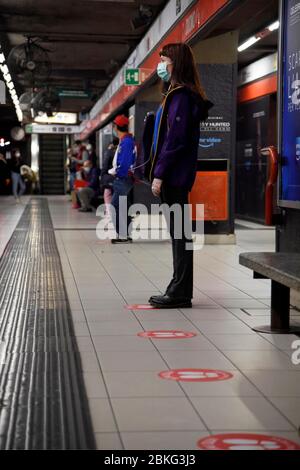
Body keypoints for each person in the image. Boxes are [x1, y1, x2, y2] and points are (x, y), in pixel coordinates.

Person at [148, 43, 213, 309]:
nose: (160, 64)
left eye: (164, 59)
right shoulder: (175, 95)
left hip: (174, 176)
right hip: (174, 175)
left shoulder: (181, 97)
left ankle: (179, 291)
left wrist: (160, 174)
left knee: (180, 234)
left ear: (176, 63)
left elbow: (175, 140)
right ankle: (179, 288)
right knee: (180, 233)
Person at [109, 115, 136, 244]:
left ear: (116, 127)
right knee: (123, 206)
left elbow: (125, 162)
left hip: (123, 178)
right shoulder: (126, 140)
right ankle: (126, 234)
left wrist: (118, 173)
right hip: (124, 178)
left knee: (116, 206)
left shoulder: (126, 142)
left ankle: (123, 235)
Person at [100, 138, 119, 216]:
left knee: (107, 193)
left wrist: (102, 175)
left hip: (109, 175)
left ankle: (109, 212)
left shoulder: (109, 152)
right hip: (119, 176)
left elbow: (105, 165)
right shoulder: (120, 151)